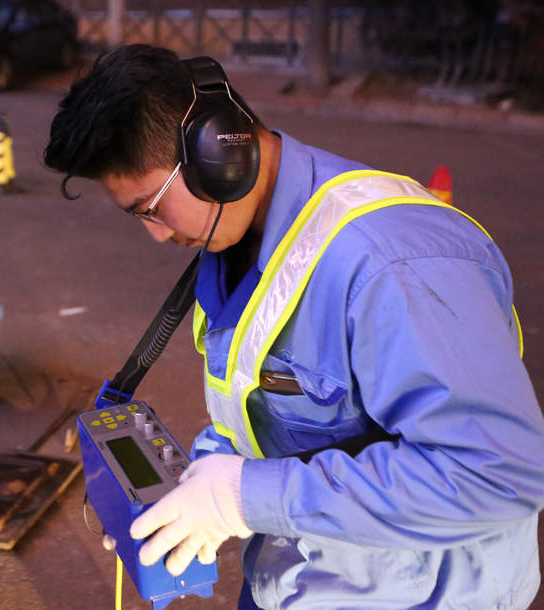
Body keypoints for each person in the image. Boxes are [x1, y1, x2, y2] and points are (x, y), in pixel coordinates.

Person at [44, 44, 544, 610]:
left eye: (152, 207)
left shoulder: (393, 264)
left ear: (220, 152)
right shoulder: (237, 242)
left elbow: (496, 475)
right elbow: (264, 415)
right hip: (293, 576)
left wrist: (243, 497)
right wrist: (190, 493)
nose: (156, 234)